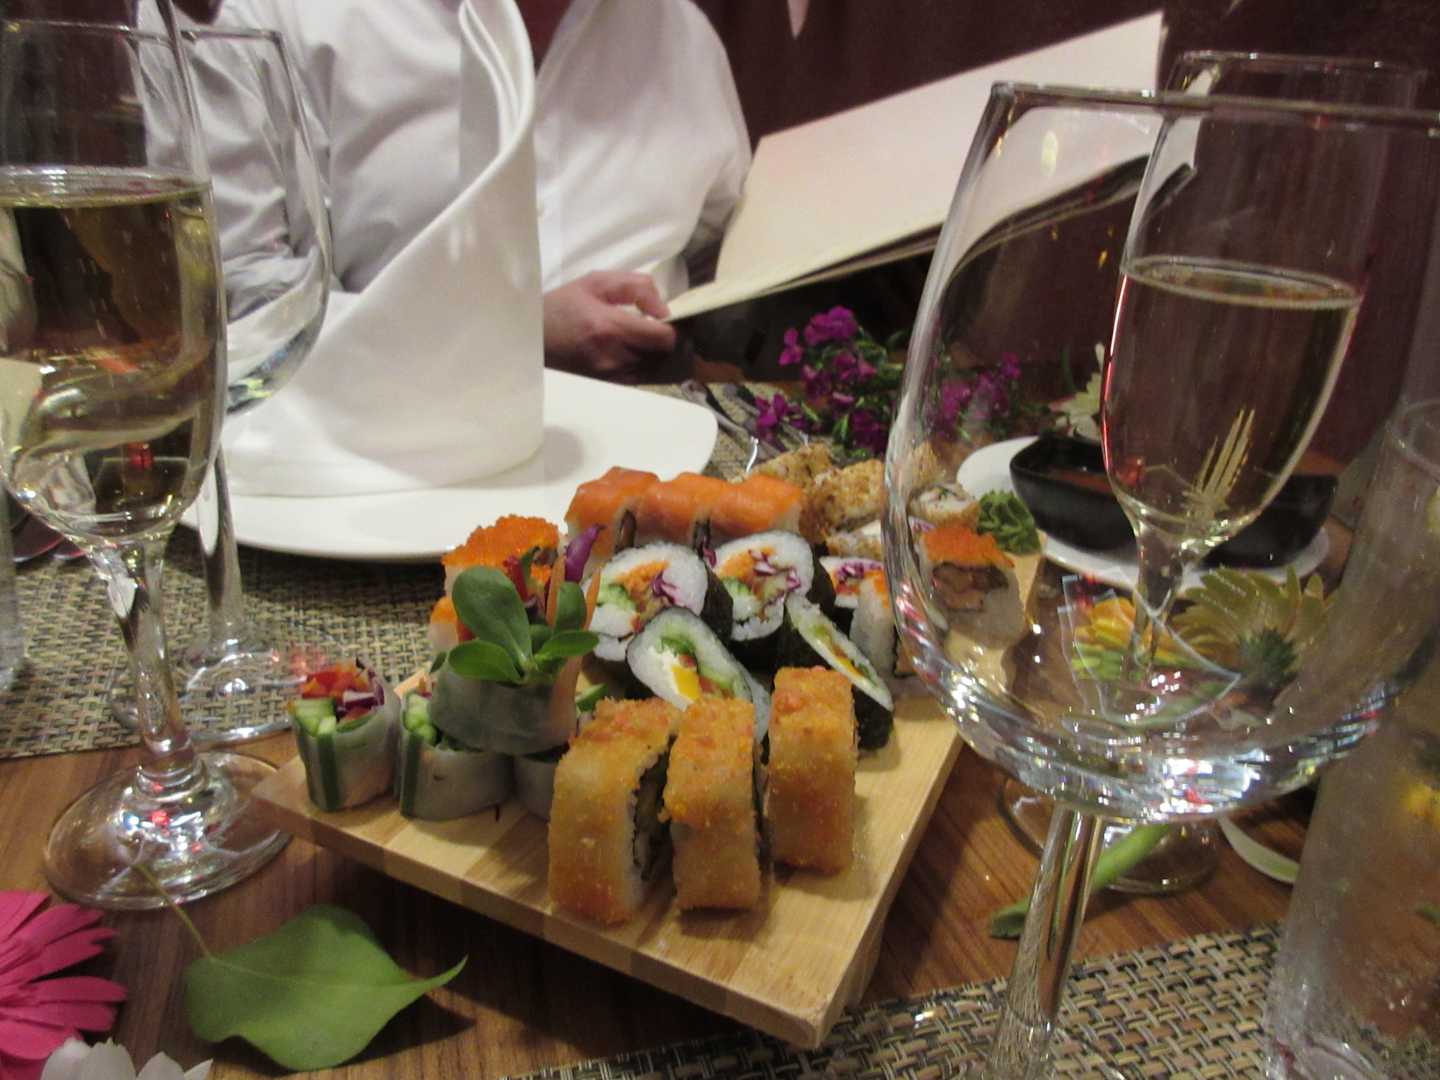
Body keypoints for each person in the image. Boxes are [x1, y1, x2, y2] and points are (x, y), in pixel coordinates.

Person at [214, 0, 752, 378]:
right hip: (379, 462)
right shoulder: (275, 18)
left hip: (666, 456)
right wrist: (509, 337)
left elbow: (715, 243)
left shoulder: (684, 35)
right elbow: (242, 309)